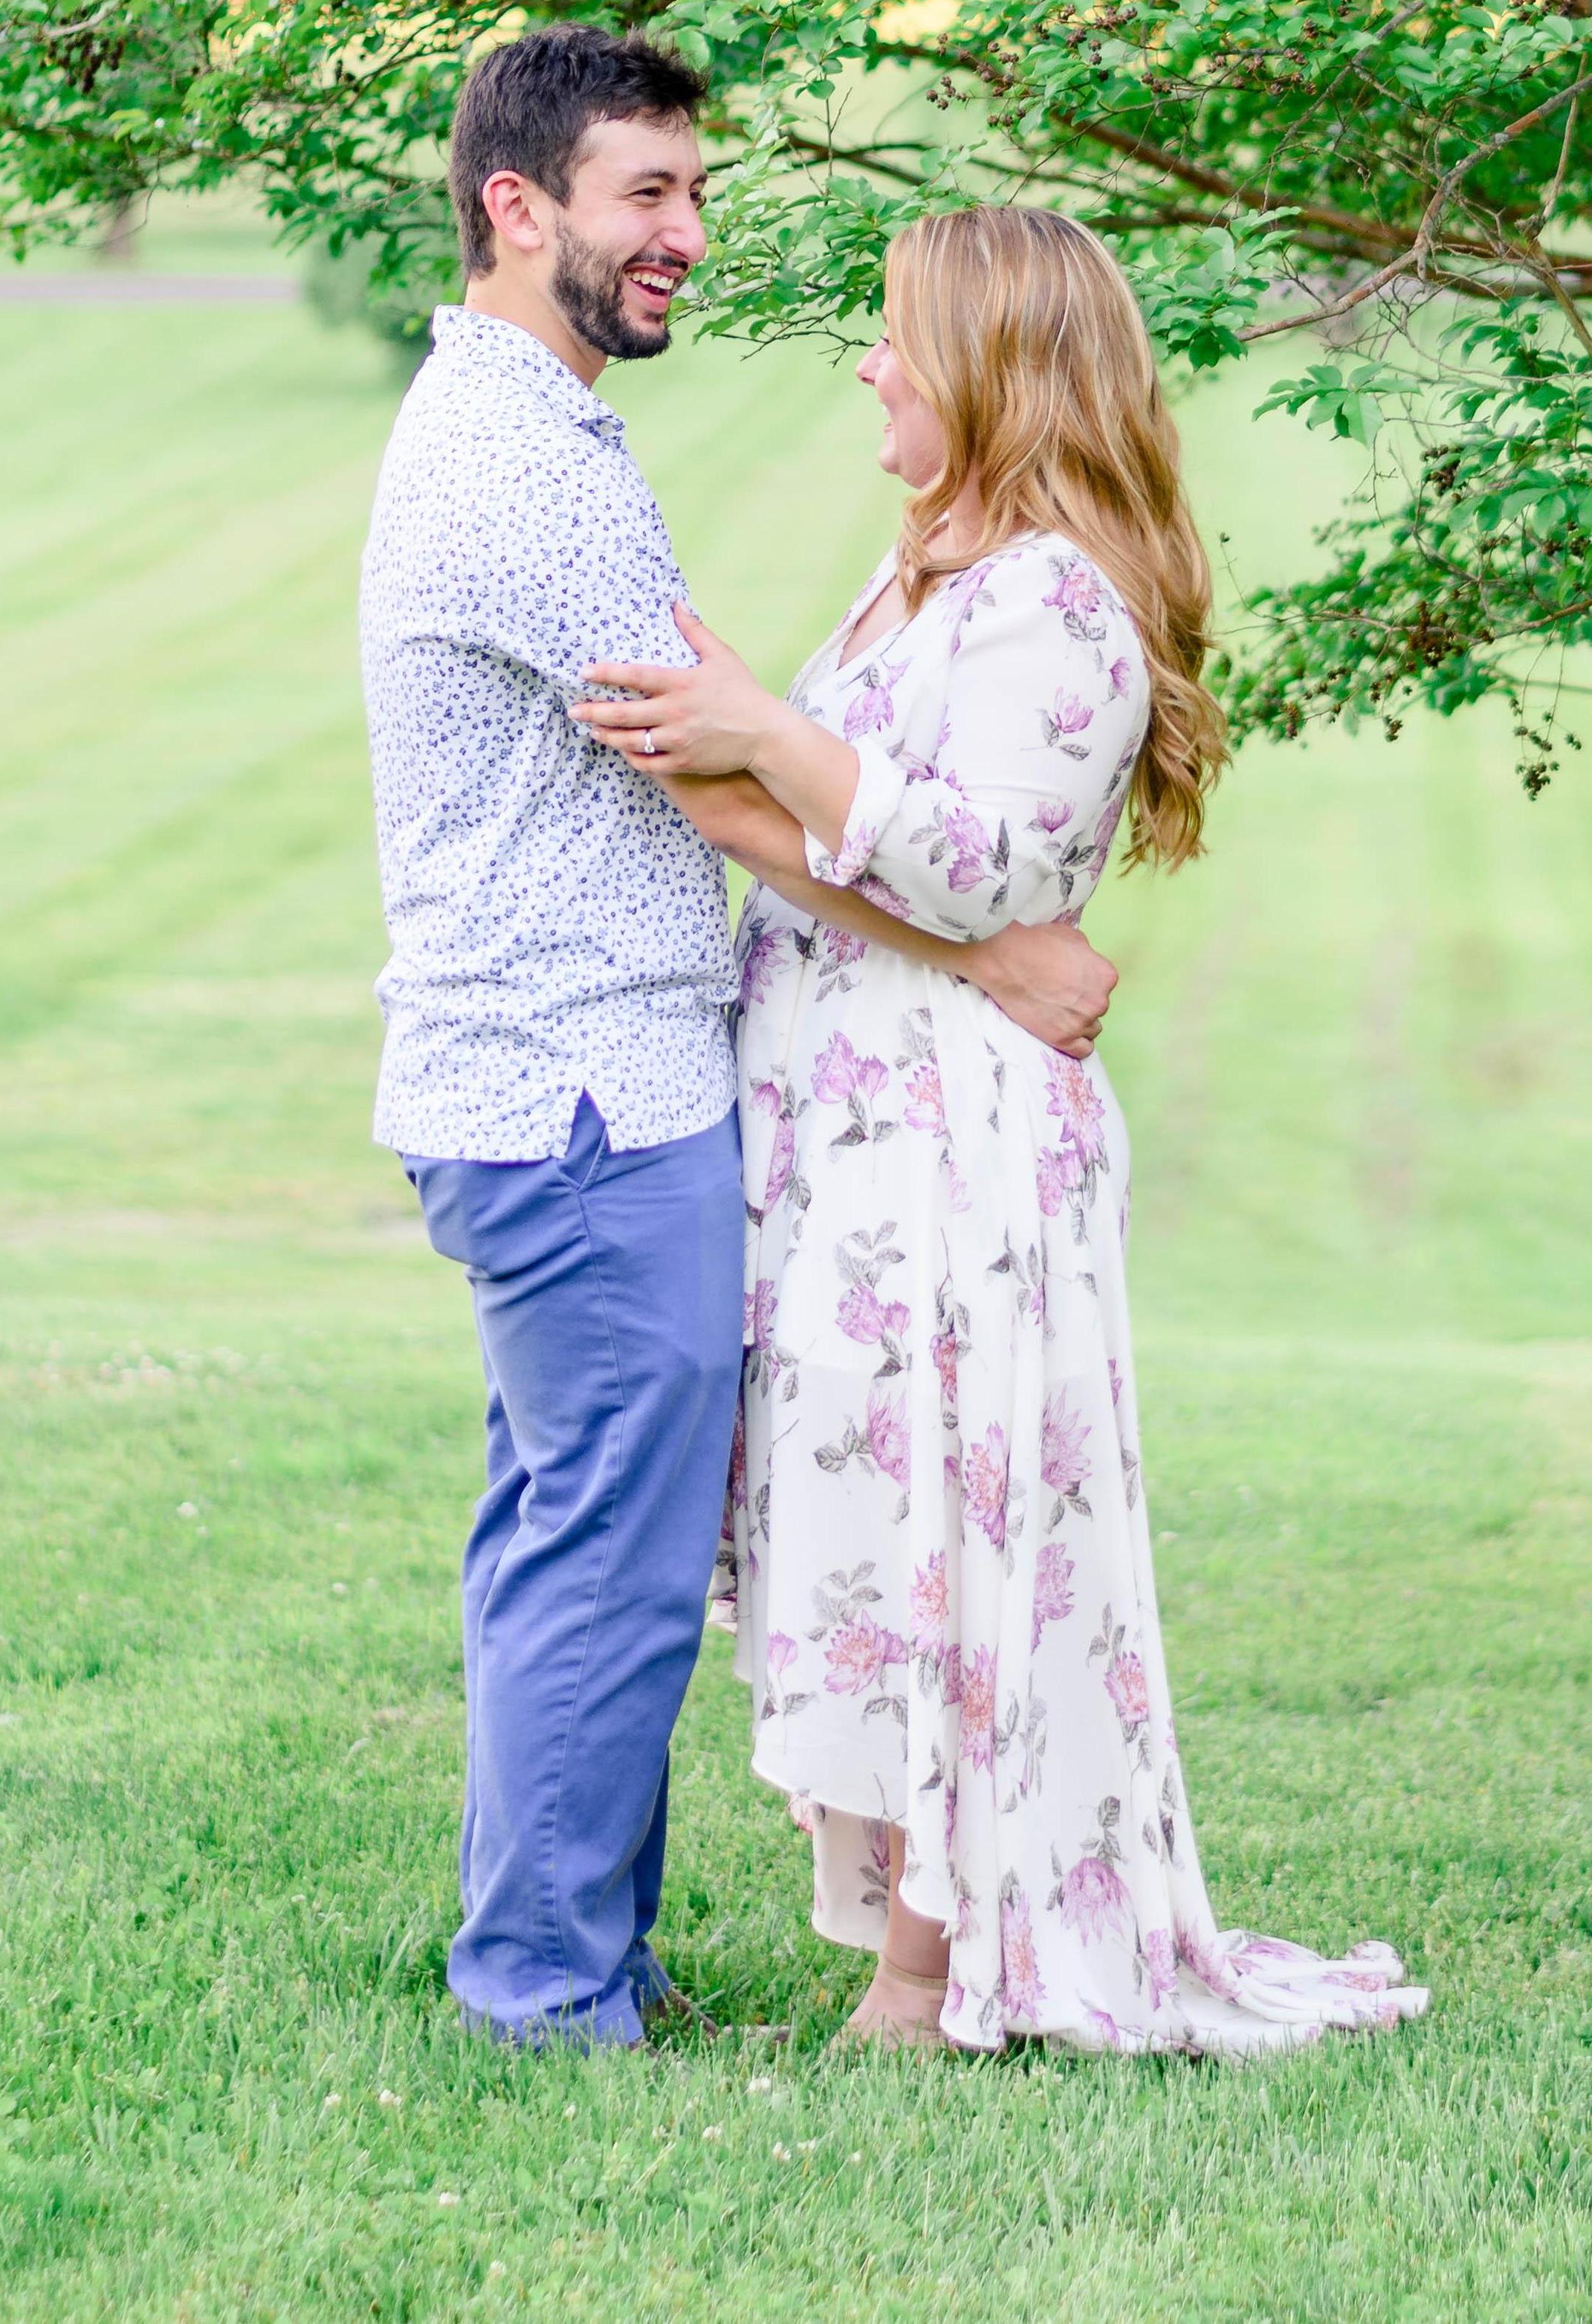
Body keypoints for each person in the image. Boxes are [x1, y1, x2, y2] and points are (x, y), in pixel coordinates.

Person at [571, 205, 1430, 2056]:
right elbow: (848, 842)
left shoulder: (1058, 600)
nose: (872, 365)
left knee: (946, 1535)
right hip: (850, 1129)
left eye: (897, 337)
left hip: (951, 1143)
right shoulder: (930, 579)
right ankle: (909, 1929)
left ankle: (930, 1972)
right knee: (863, 1535)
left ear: (992, 368)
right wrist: (740, 748)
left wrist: (763, 746)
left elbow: (979, 855)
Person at [359, 32, 1116, 2047]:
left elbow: (727, 724)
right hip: (581, 1092)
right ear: (520, 208)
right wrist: (1004, 960)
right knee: (601, 1565)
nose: (688, 233)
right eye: (646, 197)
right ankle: (540, 1991)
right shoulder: (521, 455)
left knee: (572, 1536)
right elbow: (715, 779)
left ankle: (570, 1958)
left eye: (694, 193)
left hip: (565, 1084)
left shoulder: (532, 425)